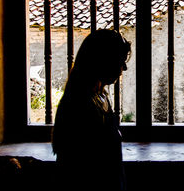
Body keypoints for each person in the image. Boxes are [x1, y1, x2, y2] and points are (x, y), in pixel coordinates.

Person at [52, 29, 131, 191]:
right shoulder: (79, 104)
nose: (124, 67)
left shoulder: (99, 96)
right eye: (119, 60)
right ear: (102, 60)